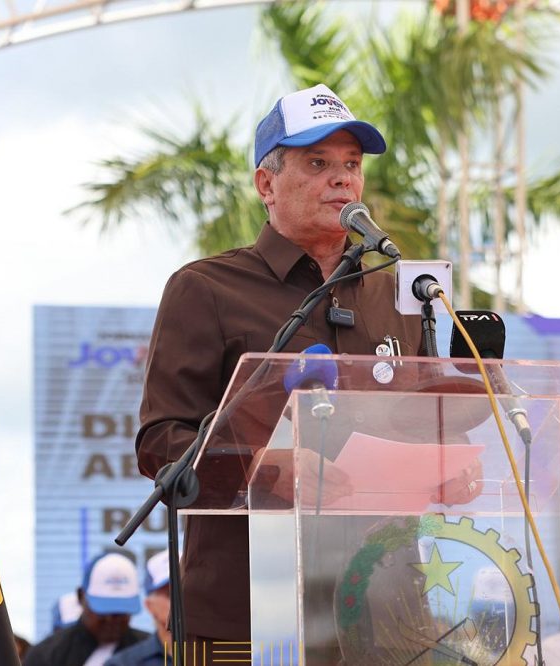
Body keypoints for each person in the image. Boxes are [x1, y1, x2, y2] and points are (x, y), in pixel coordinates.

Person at [135, 83, 449, 649]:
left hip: (387, 614)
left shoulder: (399, 297)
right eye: (318, 163)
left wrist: (449, 464)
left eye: (352, 164)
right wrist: (268, 467)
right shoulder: (206, 288)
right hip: (247, 614)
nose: (342, 179)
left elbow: (421, 426)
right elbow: (161, 442)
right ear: (266, 184)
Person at [25, 552, 148, 666]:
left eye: (121, 612)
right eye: (103, 611)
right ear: (81, 597)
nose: (112, 619)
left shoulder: (150, 652)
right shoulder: (48, 655)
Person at [104, 549, 172, 666]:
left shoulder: (207, 656)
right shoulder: (123, 664)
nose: (184, 601)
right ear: (150, 605)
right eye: (170, 594)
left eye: (191, 593)